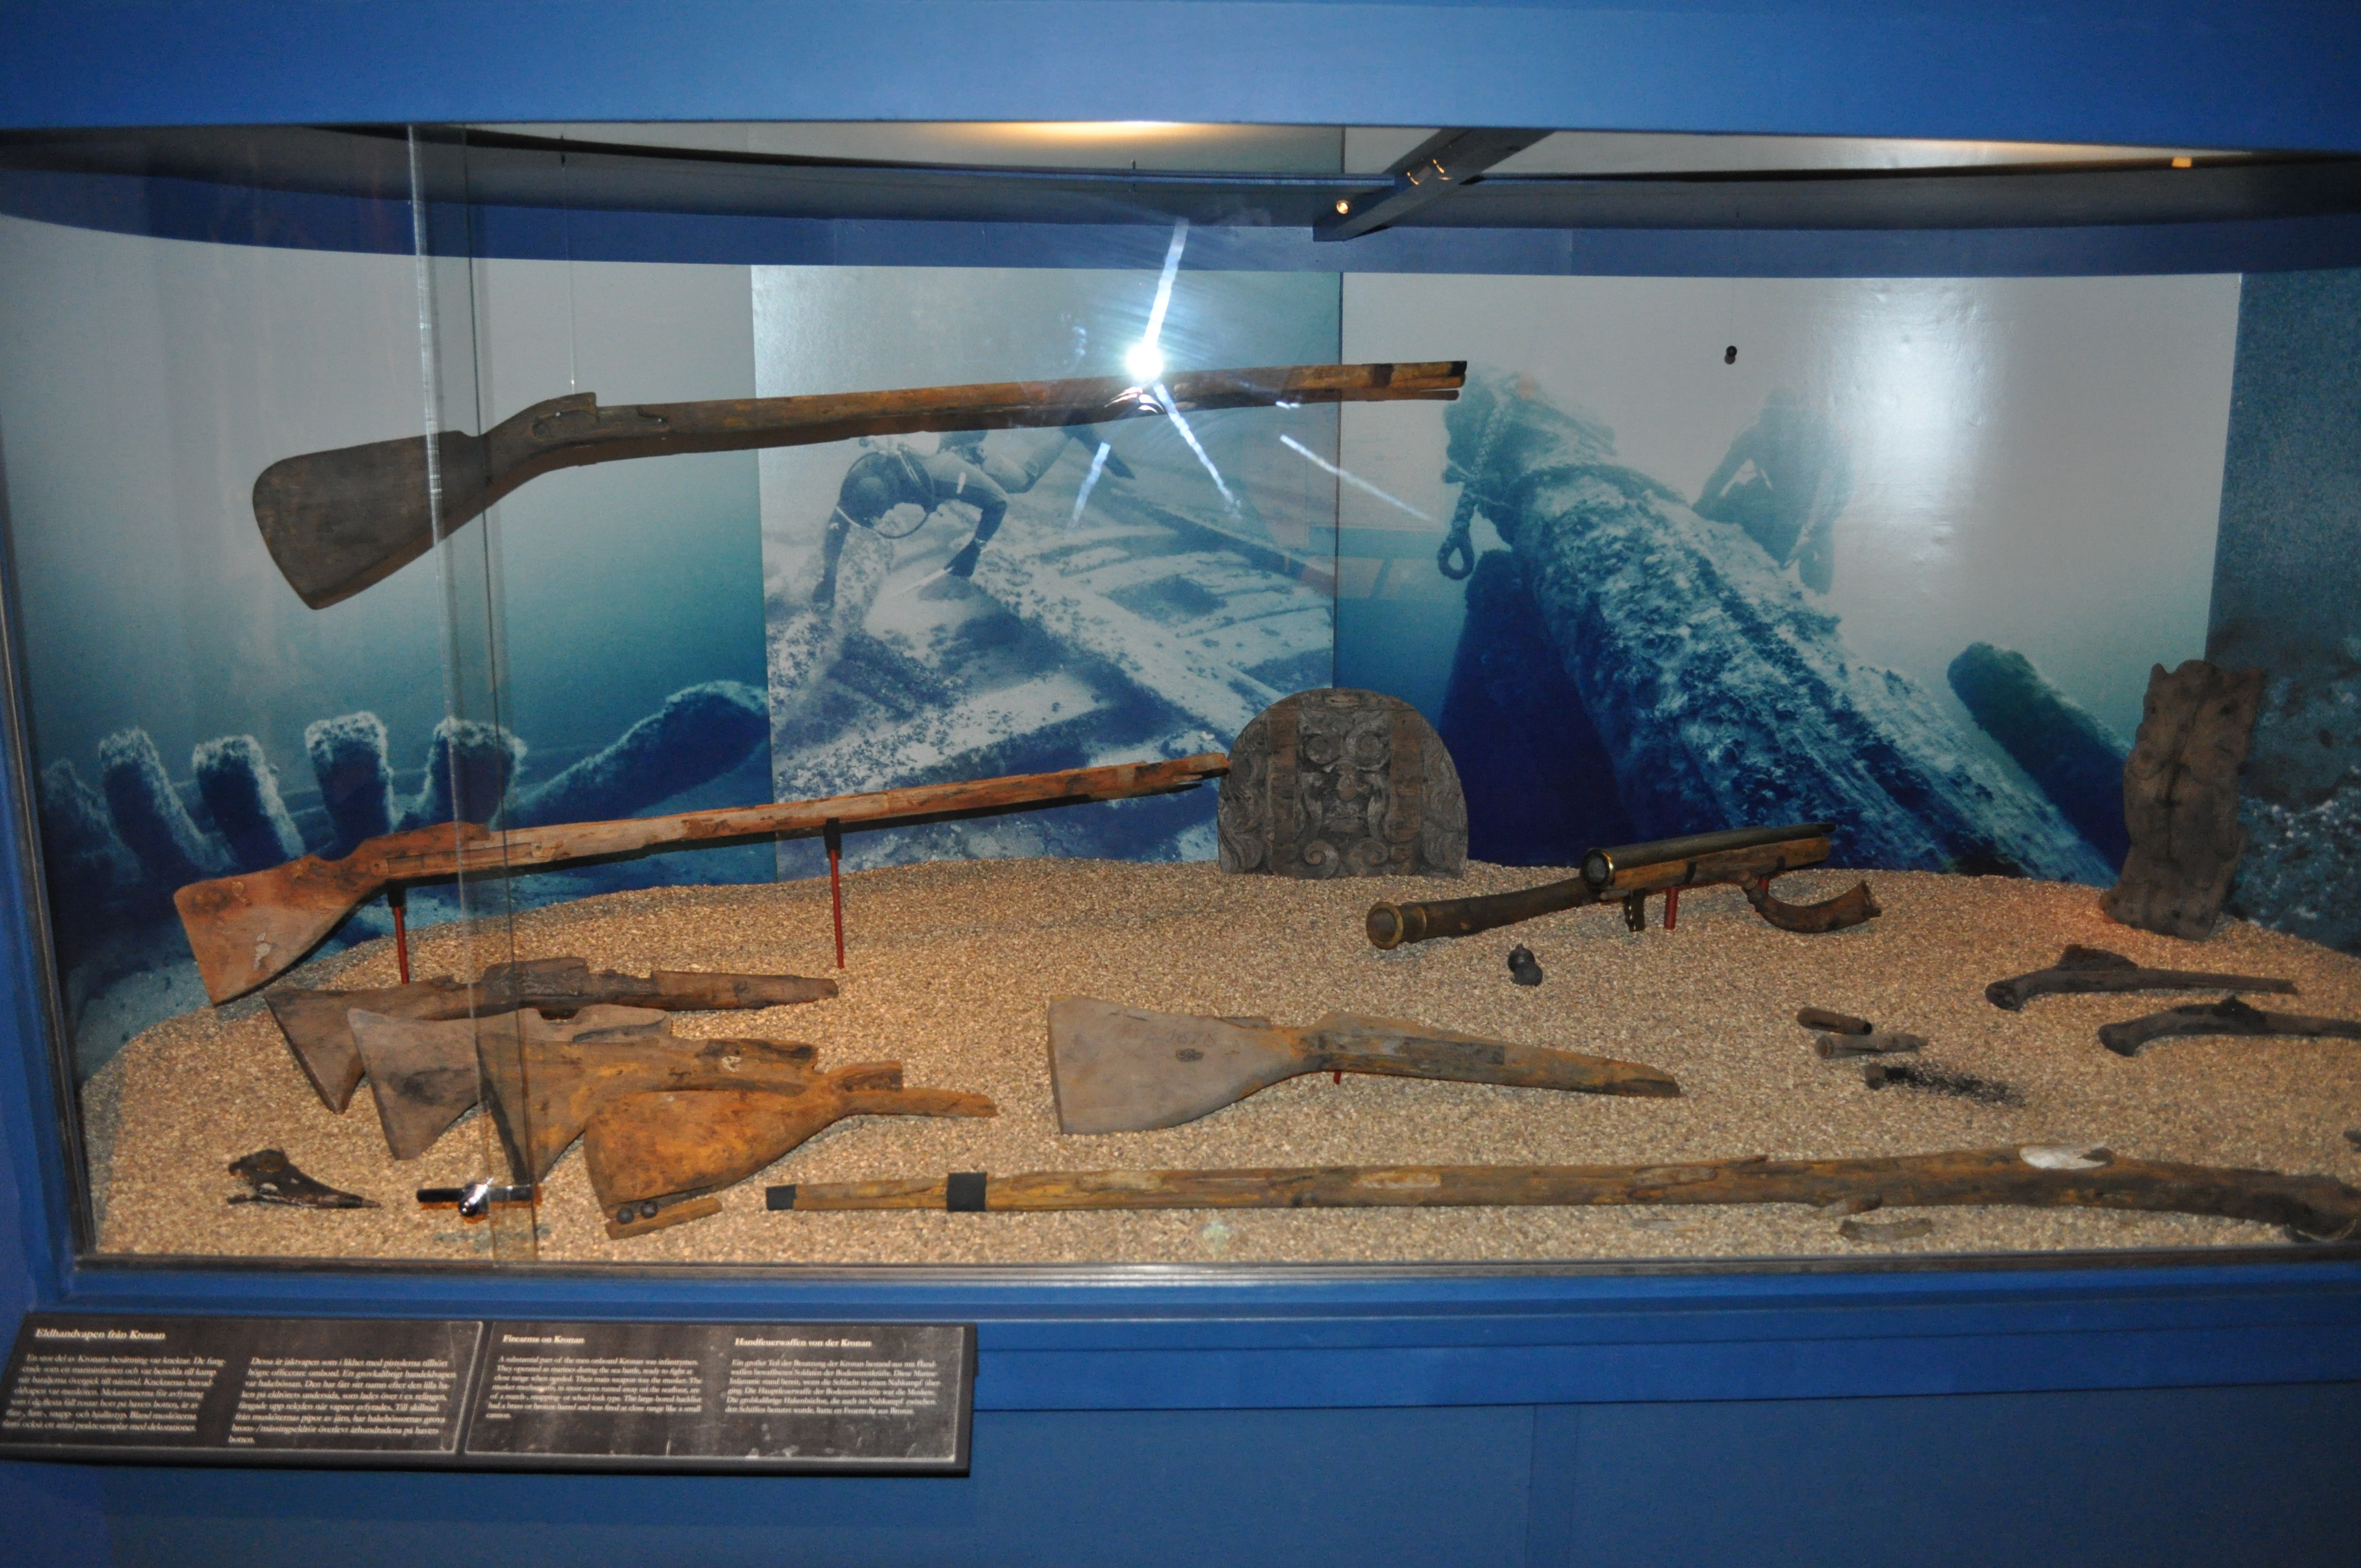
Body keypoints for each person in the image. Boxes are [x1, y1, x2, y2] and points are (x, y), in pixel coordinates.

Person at [810, 427, 1124, 605]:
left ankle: (1070, 429)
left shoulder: (940, 474)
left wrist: (974, 548)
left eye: (878, 517)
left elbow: (998, 504)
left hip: (966, 457)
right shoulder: (859, 481)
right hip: (935, 457)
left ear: (889, 499)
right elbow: (838, 526)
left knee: (1023, 483)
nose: (879, 523)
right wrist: (829, 578)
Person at [1693, 389, 1854, 594]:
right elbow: (1722, 474)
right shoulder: (1763, 434)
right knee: (1778, 560)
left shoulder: (1815, 436)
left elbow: (1722, 474)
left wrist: (1823, 523)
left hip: (1805, 510)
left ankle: (1811, 598)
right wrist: (1702, 506)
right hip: (1783, 506)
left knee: (1791, 562)